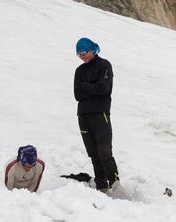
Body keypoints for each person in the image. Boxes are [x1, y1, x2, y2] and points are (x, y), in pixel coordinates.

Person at [73, 37, 120, 193]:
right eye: (78, 54)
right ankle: (101, 186)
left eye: (83, 52)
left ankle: (115, 183)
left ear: (92, 50)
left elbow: (104, 89)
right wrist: (92, 88)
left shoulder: (104, 65)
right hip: (83, 116)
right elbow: (77, 95)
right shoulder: (79, 71)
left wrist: (86, 87)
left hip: (100, 114)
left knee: (104, 151)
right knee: (93, 153)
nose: (81, 56)